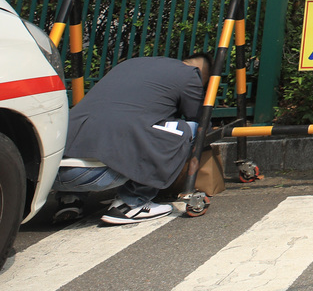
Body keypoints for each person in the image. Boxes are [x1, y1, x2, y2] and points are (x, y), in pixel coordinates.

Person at [55, 53, 211, 224]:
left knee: (101, 124)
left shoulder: (129, 65)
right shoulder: (190, 74)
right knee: (190, 130)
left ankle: (70, 200)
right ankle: (132, 203)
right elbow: (198, 119)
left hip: (52, 175)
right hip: (95, 175)